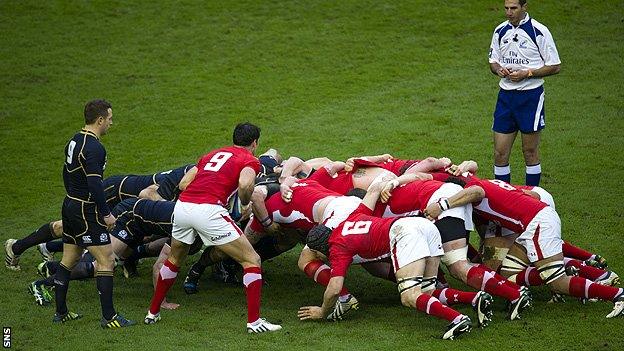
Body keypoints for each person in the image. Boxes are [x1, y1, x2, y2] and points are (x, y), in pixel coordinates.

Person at [144, 122, 282, 333]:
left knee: (174, 259)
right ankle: (254, 322)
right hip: (208, 210)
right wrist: (244, 201)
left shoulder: (211, 154)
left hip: (183, 207)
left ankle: (152, 313)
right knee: (251, 259)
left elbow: (182, 184)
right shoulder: (249, 160)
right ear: (255, 143)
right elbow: (245, 185)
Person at [299, 181, 472, 340]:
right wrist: (392, 183)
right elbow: (374, 189)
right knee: (427, 290)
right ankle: (474, 299)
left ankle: (458, 318)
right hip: (424, 225)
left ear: (321, 251)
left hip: (404, 234)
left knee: (409, 297)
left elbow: (335, 289)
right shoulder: (350, 218)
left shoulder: (337, 249)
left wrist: (322, 311)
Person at [54, 99, 135, 328]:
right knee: (107, 260)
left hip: (70, 204)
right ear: (99, 120)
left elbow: (66, 171)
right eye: (109, 119)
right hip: (85, 210)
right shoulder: (95, 147)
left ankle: (61, 312)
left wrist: (72, 194)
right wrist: (106, 214)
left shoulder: (74, 140)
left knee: (69, 259)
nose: (111, 123)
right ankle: (109, 317)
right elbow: (95, 185)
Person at [488, 0, 561, 186]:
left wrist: (527, 73)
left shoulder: (539, 31)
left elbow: (555, 66)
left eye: (513, 8)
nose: (509, 13)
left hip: (530, 97)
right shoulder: (500, 31)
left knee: (529, 152)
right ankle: (503, 198)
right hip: (505, 97)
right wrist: (498, 70)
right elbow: (493, 61)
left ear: (524, 7)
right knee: (500, 153)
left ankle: (532, 198)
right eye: (506, 8)